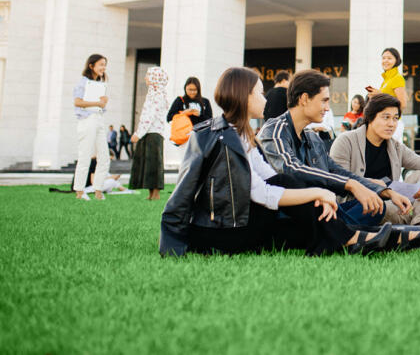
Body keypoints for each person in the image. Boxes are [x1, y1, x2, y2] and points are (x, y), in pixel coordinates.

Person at [160, 67, 395, 257]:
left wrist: (320, 194)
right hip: (221, 231)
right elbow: (259, 193)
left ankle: (355, 237)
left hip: (250, 222)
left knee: (289, 189)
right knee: (301, 202)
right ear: (244, 96)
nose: (266, 98)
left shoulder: (243, 135)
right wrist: (317, 193)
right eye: (260, 93)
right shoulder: (209, 135)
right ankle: (349, 237)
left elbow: (276, 179)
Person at [258, 69, 420, 248]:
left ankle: (358, 233)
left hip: (323, 209)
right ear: (304, 99)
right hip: (290, 214)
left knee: (375, 205)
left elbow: (338, 172)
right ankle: (386, 236)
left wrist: (385, 192)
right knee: (320, 202)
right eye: (324, 100)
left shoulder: (313, 138)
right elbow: (291, 169)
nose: (327, 108)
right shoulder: (275, 130)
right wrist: (350, 185)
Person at [330, 93, 420, 233]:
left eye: (395, 118)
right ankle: (410, 225)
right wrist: (379, 187)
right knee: (383, 207)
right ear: (370, 117)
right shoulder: (345, 141)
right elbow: (339, 180)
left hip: (392, 202)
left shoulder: (395, 147)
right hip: (357, 204)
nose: (391, 124)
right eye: (386, 117)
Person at [72, 54, 111, 201]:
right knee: (85, 156)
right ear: (91, 66)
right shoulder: (84, 82)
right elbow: (77, 102)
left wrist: (103, 102)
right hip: (87, 120)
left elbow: (100, 104)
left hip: (99, 118)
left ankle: (98, 190)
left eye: (105, 65)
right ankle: (80, 191)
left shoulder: (100, 83)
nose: (103, 68)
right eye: (101, 64)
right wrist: (97, 103)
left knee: (104, 157)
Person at [130, 67, 169, 201]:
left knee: (154, 164)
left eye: (148, 75)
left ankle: (156, 193)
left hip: (154, 133)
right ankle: (150, 192)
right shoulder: (152, 93)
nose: (146, 78)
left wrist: (138, 134)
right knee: (147, 164)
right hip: (148, 133)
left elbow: (150, 116)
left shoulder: (158, 95)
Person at [366, 47, 407, 141]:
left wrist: (380, 94)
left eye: (389, 58)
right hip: (384, 122)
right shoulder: (385, 81)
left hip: (392, 124)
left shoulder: (397, 78)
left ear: (396, 60)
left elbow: (403, 103)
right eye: (383, 58)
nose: (385, 61)